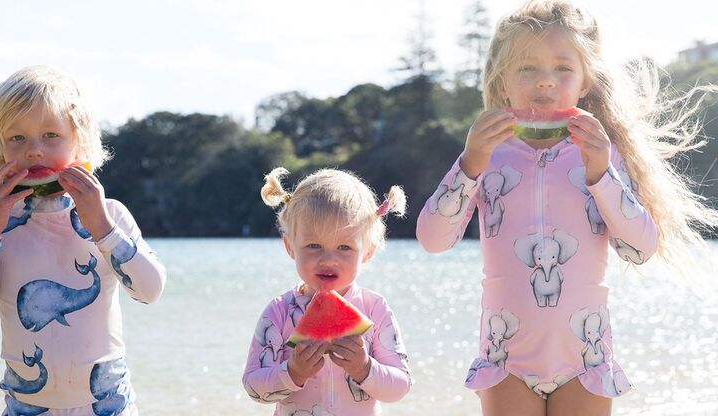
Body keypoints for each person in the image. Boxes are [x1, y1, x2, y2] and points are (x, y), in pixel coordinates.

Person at [416, 1, 718, 415]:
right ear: (502, 82)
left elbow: (641, 248)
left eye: (562, 68)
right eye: (527, 68)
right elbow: (433, 240)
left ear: (585, 82)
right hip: (507, 361)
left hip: (585, 361)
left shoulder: (601, 156)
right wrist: (469, 164)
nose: (545, 82)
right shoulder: (487, 156)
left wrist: (600, 173)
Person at [0, 65, 166, 416]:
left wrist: (103, 228)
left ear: (79, 140)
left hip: (107, 403)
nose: (35, 150)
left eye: (50, 134)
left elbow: (150, 290)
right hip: (27, 405)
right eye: (16, 138)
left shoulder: (109, 213)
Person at [243, 167, 412, 415]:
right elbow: (253, 388)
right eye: (313, 245)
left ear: (368, 252)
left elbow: (400, 387)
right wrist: (292, 373)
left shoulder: (375, 309)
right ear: (290, 246)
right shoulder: (279, 311)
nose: (328, 259)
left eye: (344, 247)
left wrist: (365, 368)